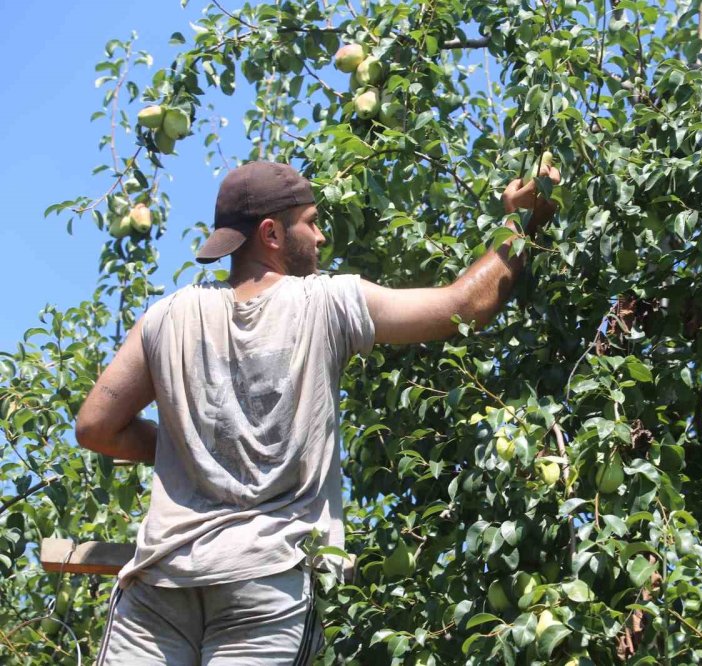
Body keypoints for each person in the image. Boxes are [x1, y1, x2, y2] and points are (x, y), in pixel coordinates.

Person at [73, 160, 561, 664]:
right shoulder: (326, 302)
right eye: (311, 221)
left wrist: (184, 449)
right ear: (271, 233)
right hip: (266, 583)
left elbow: (95, 426)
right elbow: (465, 307)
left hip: (159, 585)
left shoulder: (167, 315)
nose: (322, 236)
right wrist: (522, 222)